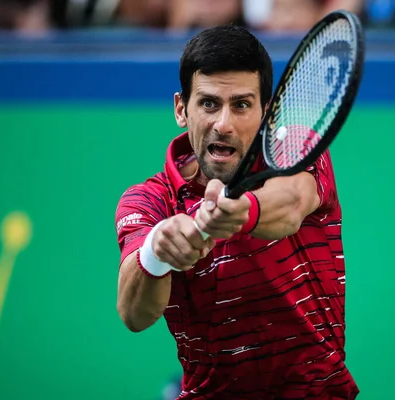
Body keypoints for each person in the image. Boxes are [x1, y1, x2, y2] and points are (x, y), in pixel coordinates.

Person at [114, 25, 359, 399]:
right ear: (182, 109)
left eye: (241, 105)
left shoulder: (296, 148)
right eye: (209, 103)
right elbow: (134, 314)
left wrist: (239, 212)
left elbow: (292, 203)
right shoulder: (148, 201)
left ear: (265, 112)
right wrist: (156, 253)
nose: (223, 124)